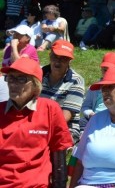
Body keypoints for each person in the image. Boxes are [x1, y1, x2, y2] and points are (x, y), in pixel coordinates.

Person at [0, 58, 73, 187]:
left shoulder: (50, 109)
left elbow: (59, 152)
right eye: (10, 78)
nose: (13, 84)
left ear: (35, 85)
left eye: (21, 78)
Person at [40, 39, 86, 141]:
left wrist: (39, 128)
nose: (58, 61)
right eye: (55, 56)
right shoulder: (38, 74)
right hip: (37, 123)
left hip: (65, 128)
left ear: (70, 60)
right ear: (49, 55)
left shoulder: (76, 80)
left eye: (64, 58)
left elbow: (65, 117)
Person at [79, 52, 115, 130]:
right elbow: (85, 106)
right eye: (105, 70)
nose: (107, 73)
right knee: (81, 122)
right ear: (101, 69)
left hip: (112, 118)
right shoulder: (94, 88)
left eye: (110, 70)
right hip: (94, 117)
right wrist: (90, 113)